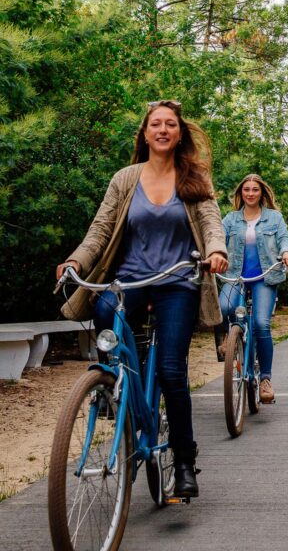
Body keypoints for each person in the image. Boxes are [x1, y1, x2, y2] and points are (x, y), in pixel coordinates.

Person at [55, 100, 228, 499]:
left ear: (179, 134)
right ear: (145, 134)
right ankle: (115, 386)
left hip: (177, 281)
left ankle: (183, 462)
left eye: (170, 125)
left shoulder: (193, 177)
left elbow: (210, 222)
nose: (163, 130)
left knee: (171, 371)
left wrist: (217, 251)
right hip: (130, 279)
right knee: (103, 309)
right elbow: (100, 229)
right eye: (156, 124)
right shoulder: (125, 179)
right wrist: (75, 261)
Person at [220, 174, 288, 404]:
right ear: (240, 193)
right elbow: (217, 238)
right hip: (235, 276)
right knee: (224, 307)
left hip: (265, 277)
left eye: (255, 189)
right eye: (246, 189)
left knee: (261, 324)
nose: (250, 193)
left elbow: (285, 238)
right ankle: (229, 338)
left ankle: (265, 379)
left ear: (262, 192)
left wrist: (287, 252)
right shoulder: (231, 219)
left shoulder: (274, 217)